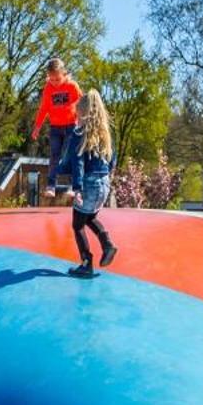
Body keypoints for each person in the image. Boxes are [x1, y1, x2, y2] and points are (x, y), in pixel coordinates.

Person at [59, 90, 119, 278]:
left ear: (83, 113)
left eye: (77, 115)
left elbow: (78, 162)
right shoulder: (105, 134)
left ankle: (86, 263)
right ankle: (107, 244)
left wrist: (77, 187)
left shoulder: (79, 133)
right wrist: (106, 179)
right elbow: (112, 160)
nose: (76, 119)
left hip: (88, 184)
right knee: (90, 217)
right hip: (104, 183)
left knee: (78, 225)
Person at [33, 58, 83, 202]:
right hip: (55, 127)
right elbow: (44, 108)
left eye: (57, 79)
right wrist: (37, 126)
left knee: (68, 155)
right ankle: (51, 186)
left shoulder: (72, 86)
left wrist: (82, 122)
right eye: (52, 79)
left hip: (71, 126)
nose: (54, 82)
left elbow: (82, 104)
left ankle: (71, 187)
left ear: (64, 74)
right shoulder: (48, 88)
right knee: (54, 156)